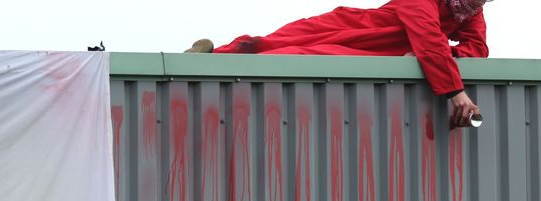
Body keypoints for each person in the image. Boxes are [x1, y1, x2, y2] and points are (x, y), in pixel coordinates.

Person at [187, 0, 490, 127]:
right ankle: (212, 56)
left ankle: (217, 59)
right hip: (352, 29)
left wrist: (441, 57)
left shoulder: (468, 11)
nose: (479, 3)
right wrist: (456, 92)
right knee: (270, 43)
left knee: (293, 58)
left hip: (374, 55)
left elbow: (477, 48)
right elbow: (427, 34)